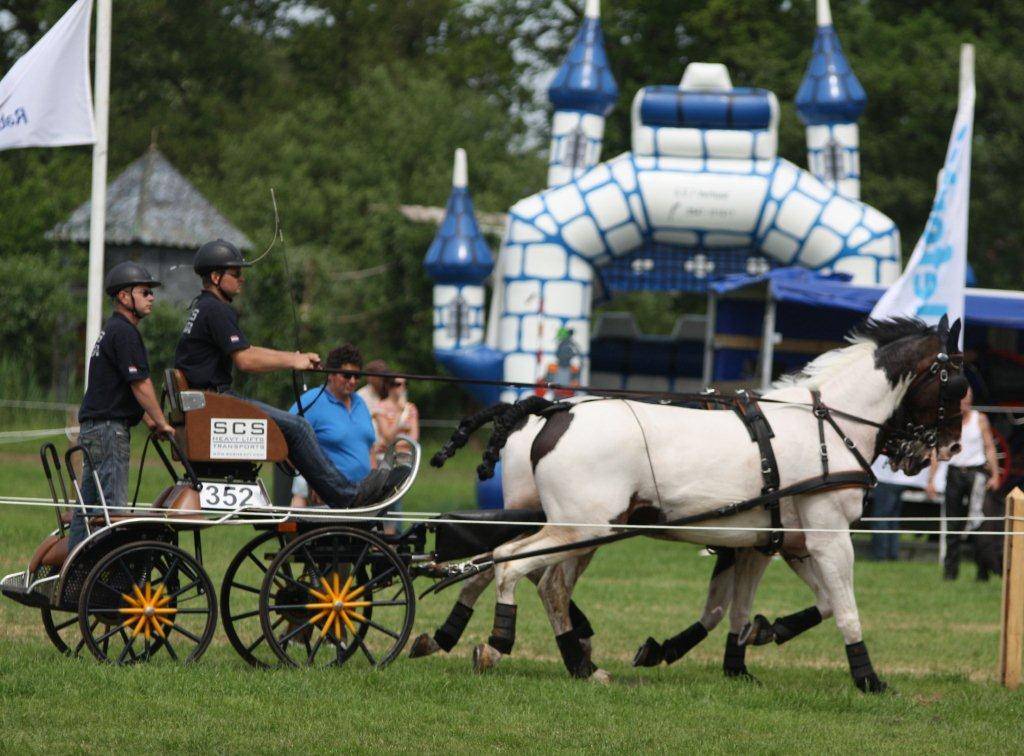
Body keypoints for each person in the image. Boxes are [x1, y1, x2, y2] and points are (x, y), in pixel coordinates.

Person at [173, 239, 388, 507]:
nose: (242, 279)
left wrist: (294, 358)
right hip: (215, 403)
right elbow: (246, 359)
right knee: (299, 427)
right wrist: (294, 360)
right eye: (236, 273)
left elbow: (246, 350)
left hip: (209, 403)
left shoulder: (202, 306)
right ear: (216, 277)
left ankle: (339, 491)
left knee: (295, 426)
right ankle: (347, 496)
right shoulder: (217, 310)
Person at [70, 262, 176, 550]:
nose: (151, 297)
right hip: (109, 432)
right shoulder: (125, 332)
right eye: (145, 292)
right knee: (112, 512)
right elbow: (140, 384)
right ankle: (107, 573)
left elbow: (118, 389)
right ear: (123, 296)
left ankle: (75, 571)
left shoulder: (112, 330)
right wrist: (162, 422)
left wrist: (148, 421)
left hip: (93, 429)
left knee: (87, 511)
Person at [926, 387, 1002, 580]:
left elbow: (989, 447)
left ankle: (982, 571)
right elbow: (938, 451)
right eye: (962, 399)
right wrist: (931, 480)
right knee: (952, 523)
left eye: (968, 399)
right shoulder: (948, 422)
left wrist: (995, 474)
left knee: (979, 521)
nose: (965, 403)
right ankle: (950, 573)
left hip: (976, 473)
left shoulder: (980, 419)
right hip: (954, 473)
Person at [288, 345, 376, 505]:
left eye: (357, 376)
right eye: (347, 375)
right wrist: (311, 481)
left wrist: (376, 484)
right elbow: (286, 441)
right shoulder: (311, 401)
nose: (352, 381)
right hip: (327, 500)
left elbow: (370, 448)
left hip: (363, 498)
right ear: (330, 375)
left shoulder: (361, 403)